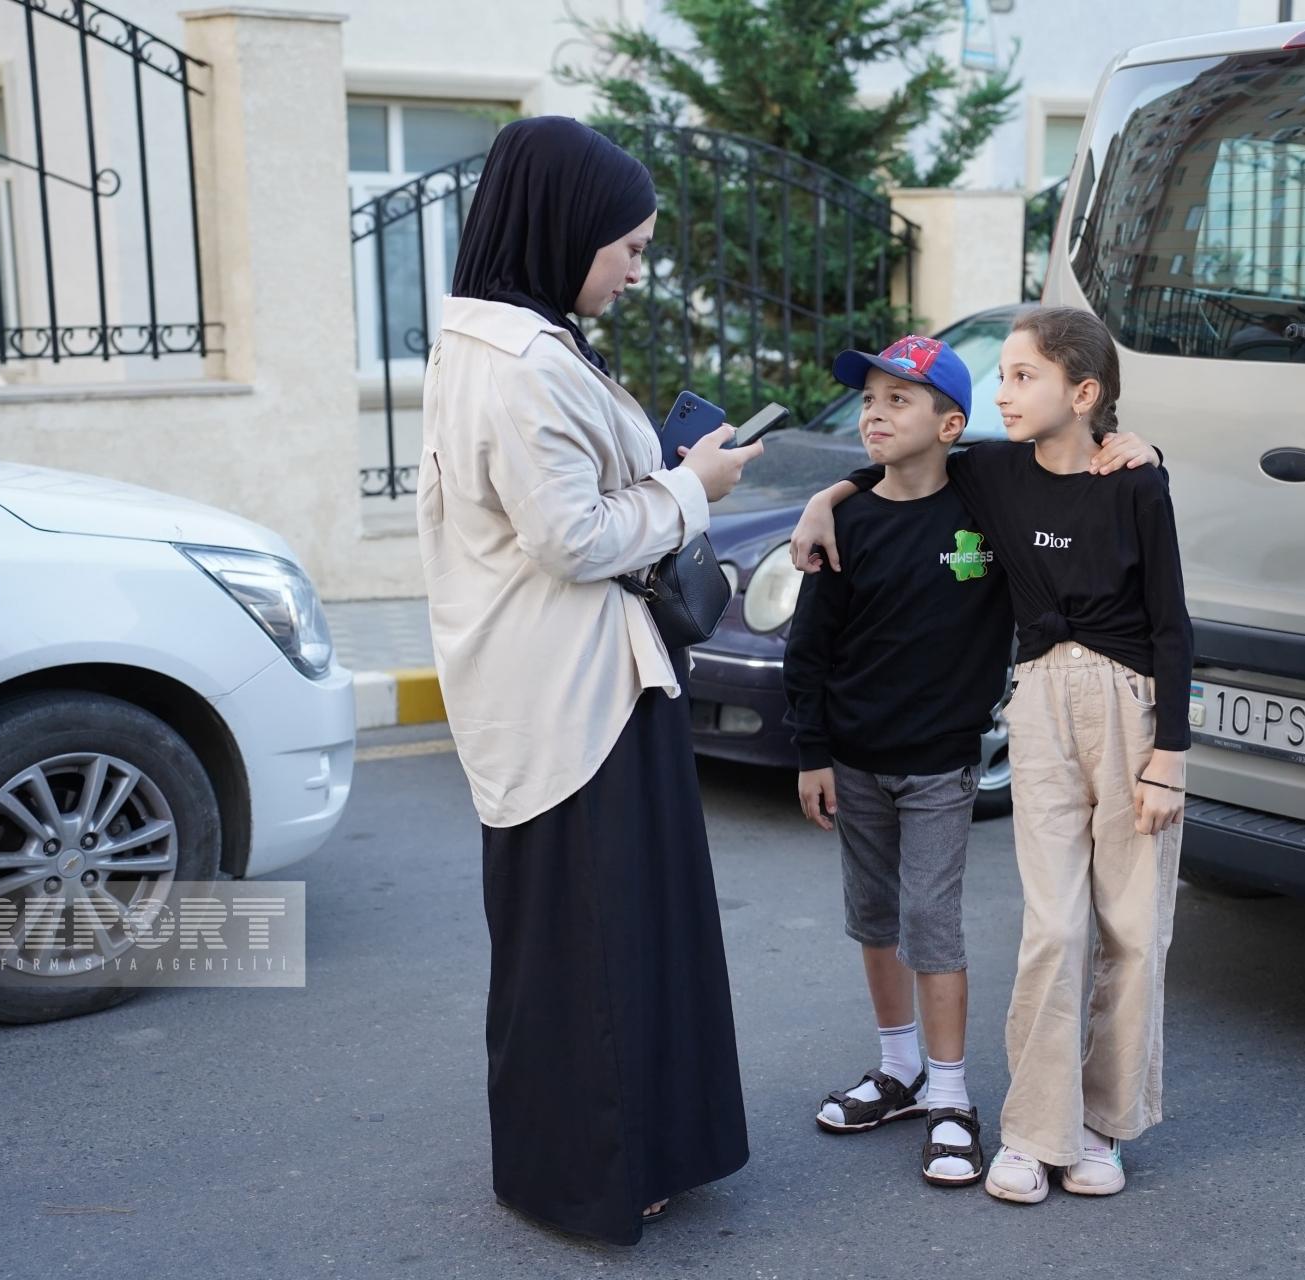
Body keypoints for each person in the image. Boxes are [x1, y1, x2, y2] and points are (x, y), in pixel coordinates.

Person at [418, 116, 761, 1246]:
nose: (635, 267)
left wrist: (664, 480)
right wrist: (692, 485)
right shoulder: (520, 366)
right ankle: (594, 1174)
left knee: (596, 936)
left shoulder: (498, 340)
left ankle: (635, 1152)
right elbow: (570, 539)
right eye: (627, 246)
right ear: (565, 230)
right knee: (600, 943)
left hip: (586, 680)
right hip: (575, 695)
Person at [790, 305, 1187, 1207]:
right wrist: (827, 495)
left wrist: (1144, 449)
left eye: (1021, 375)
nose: (1006, 390)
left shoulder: (1072, 482)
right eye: (1001, 376)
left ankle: (1066, 1116)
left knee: (1116, 931)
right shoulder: (979, 476)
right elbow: (900, 469)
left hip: (1088, 718)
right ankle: (994, 1109)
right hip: (986, 718)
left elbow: (1168, 612)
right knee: (1026, 928)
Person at [781, 335, 1009, 1188]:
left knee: (931, 920)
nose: (875, 412)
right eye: (869, 399)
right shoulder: (848, 521)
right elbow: (810, 649)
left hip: (943, 764)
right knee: (874, 916)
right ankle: (902, 1070)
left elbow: (1049, 456)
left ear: (950, 423)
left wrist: (1142, 450)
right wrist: (812, 754)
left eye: (898, 400)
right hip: (855, 758)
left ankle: (953, 1097)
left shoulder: (987, 509)